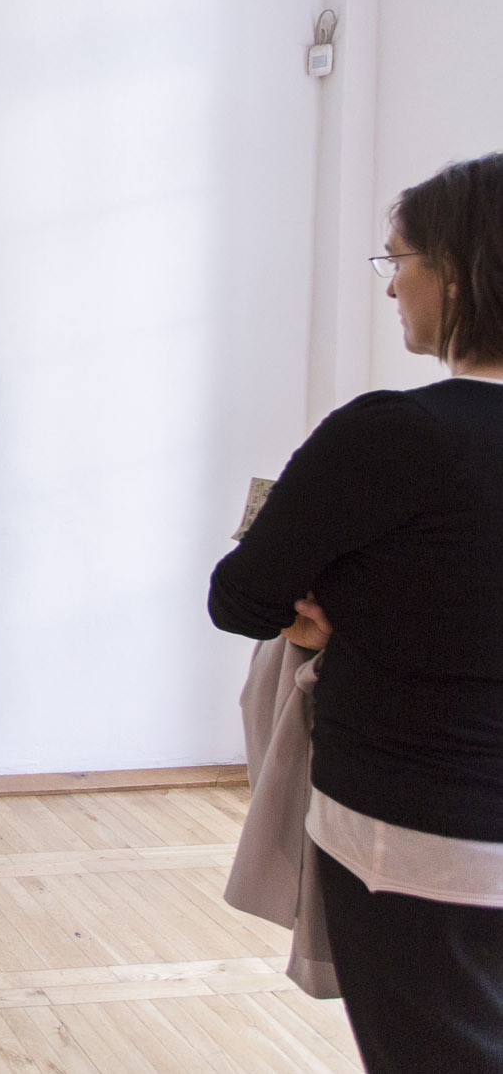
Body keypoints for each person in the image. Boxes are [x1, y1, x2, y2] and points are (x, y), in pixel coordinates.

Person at [210, 153, 503, 1072]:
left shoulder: (392, 435)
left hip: (419, 836)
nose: (390, 288)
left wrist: (335, 607)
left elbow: (242, 594)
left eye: (397, 261)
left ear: (455, 272)